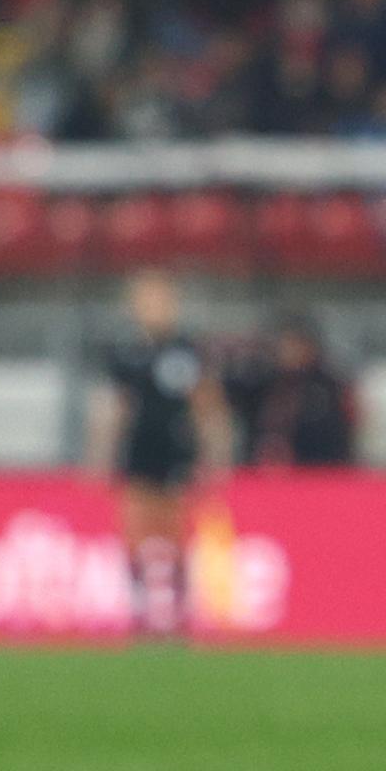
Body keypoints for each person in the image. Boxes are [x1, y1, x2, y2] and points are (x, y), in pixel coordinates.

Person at [92, 271, 226, 639]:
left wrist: (212, 454)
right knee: (134, 530)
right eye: (146, 300)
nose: (154, 308)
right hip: (139, 448)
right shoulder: (126, 352)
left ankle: (179, 612)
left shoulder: (187, 350)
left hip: (176, 448)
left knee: (177, 532)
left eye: (161, 300)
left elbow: (205, 404)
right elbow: (116, 407)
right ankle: (138, 610)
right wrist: (102, 454)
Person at [233, 314, 360, 469]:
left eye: (294, 345)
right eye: (283, 345)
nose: (288, 352)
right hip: (263, 472)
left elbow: (338, 437)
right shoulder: (261, 383)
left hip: (315, 472)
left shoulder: (329, 387)